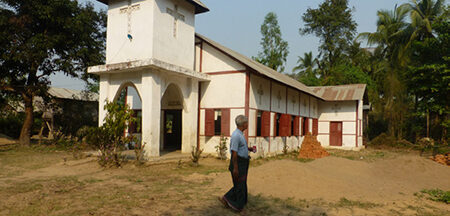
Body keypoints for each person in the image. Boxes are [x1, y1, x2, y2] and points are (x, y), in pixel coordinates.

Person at [219, 115, 254, 212]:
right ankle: (238, 206)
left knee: (241, 184)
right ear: (243, 124)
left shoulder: (240, 134)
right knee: (240, 185)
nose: (247, 124)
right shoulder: (236, 135)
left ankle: (227, 200)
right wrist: (235, 167)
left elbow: (240, 148)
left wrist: (248, 149)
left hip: (243, 162)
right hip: (238, 163)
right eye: (247, 123)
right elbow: (234, 152)